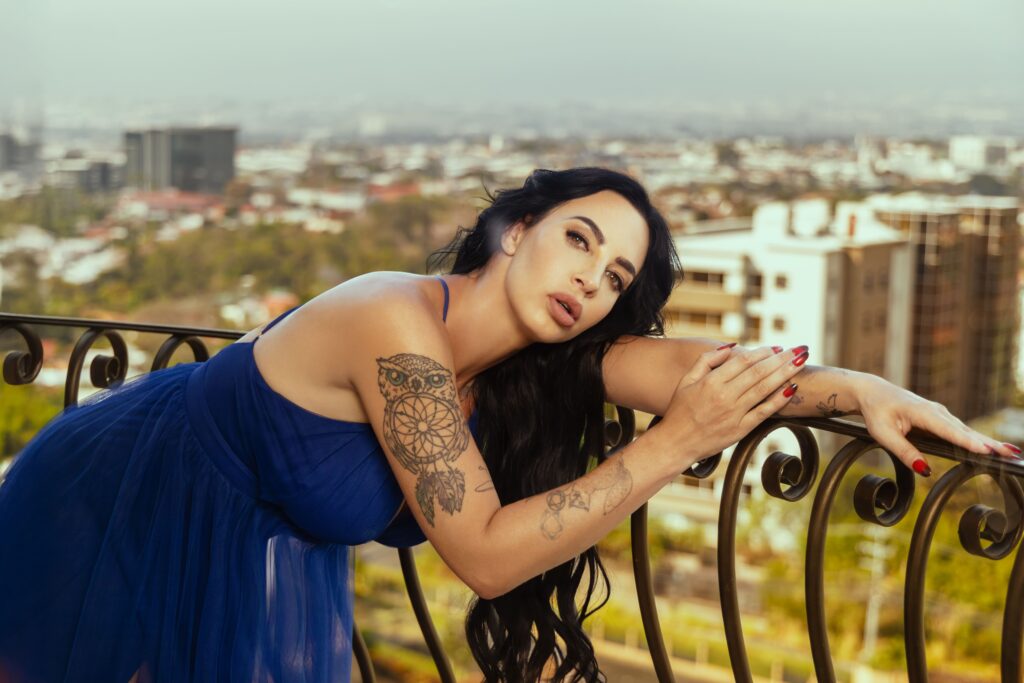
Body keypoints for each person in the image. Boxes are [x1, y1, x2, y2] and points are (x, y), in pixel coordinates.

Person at [0, 167, 1016, 683]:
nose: (591, 278)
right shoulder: (391, 319)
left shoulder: (539, 363)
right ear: (515, 229)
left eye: (615, 275)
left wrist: (862, 389)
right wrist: (671, 445)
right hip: (111, 503)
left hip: (243, 539)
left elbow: (712, 374)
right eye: (579, 238)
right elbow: (486, 556)